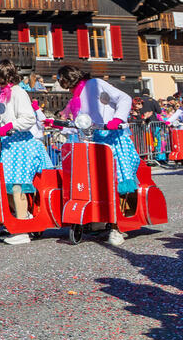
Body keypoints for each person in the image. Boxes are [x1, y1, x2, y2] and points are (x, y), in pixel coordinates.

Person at [55, 64, 138, 246]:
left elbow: (124, 98)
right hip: (94, 140)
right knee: (96, 183)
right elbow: (82, 123)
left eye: (61, 78)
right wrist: (58, 125)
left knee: (117, 181)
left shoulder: (95, 84)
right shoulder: (76, 96)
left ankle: (118, 226)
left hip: (113, 138)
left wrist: (117, 118)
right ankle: (100, 219)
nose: (60, 82)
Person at [0, 60, 53, 245]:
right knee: (5, 187)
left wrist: (11, 126)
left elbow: (28, 118)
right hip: (6, 145)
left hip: (20, 145)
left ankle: (23, 231)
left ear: (4, 75)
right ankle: (23, 217)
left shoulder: (18, 92)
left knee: (17, 186)